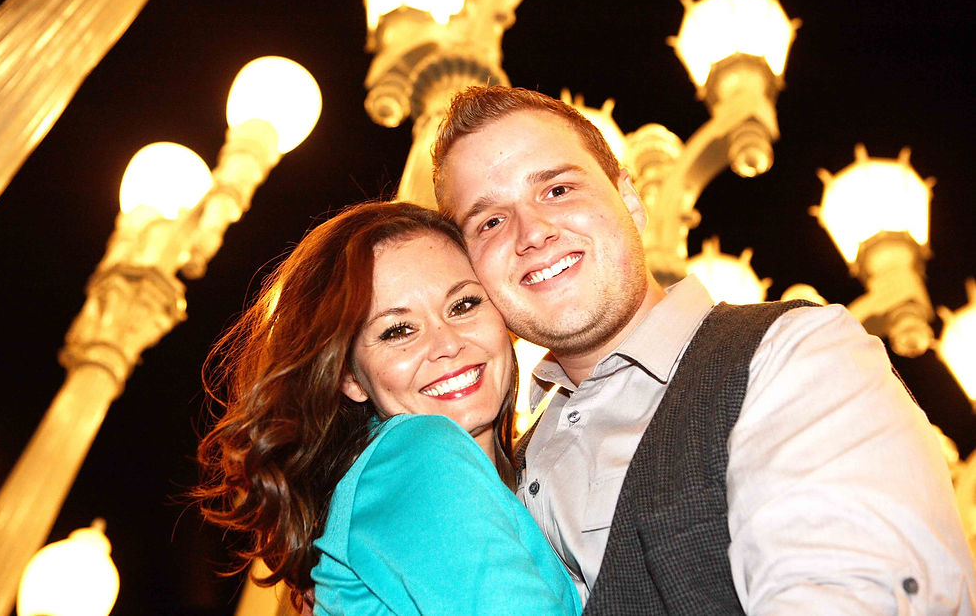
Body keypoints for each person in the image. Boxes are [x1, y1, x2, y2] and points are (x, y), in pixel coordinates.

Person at [431, 85, 976, 614]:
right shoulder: (502, 471)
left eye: (557, 190)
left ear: (630, 201)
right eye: (491, 221)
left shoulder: (790, 353)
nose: (532, 232)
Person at [194, 201, 581, 615]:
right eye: (398, 330)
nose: (447, 343)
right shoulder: (420, 453)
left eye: (463, 305)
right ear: (350, 378)